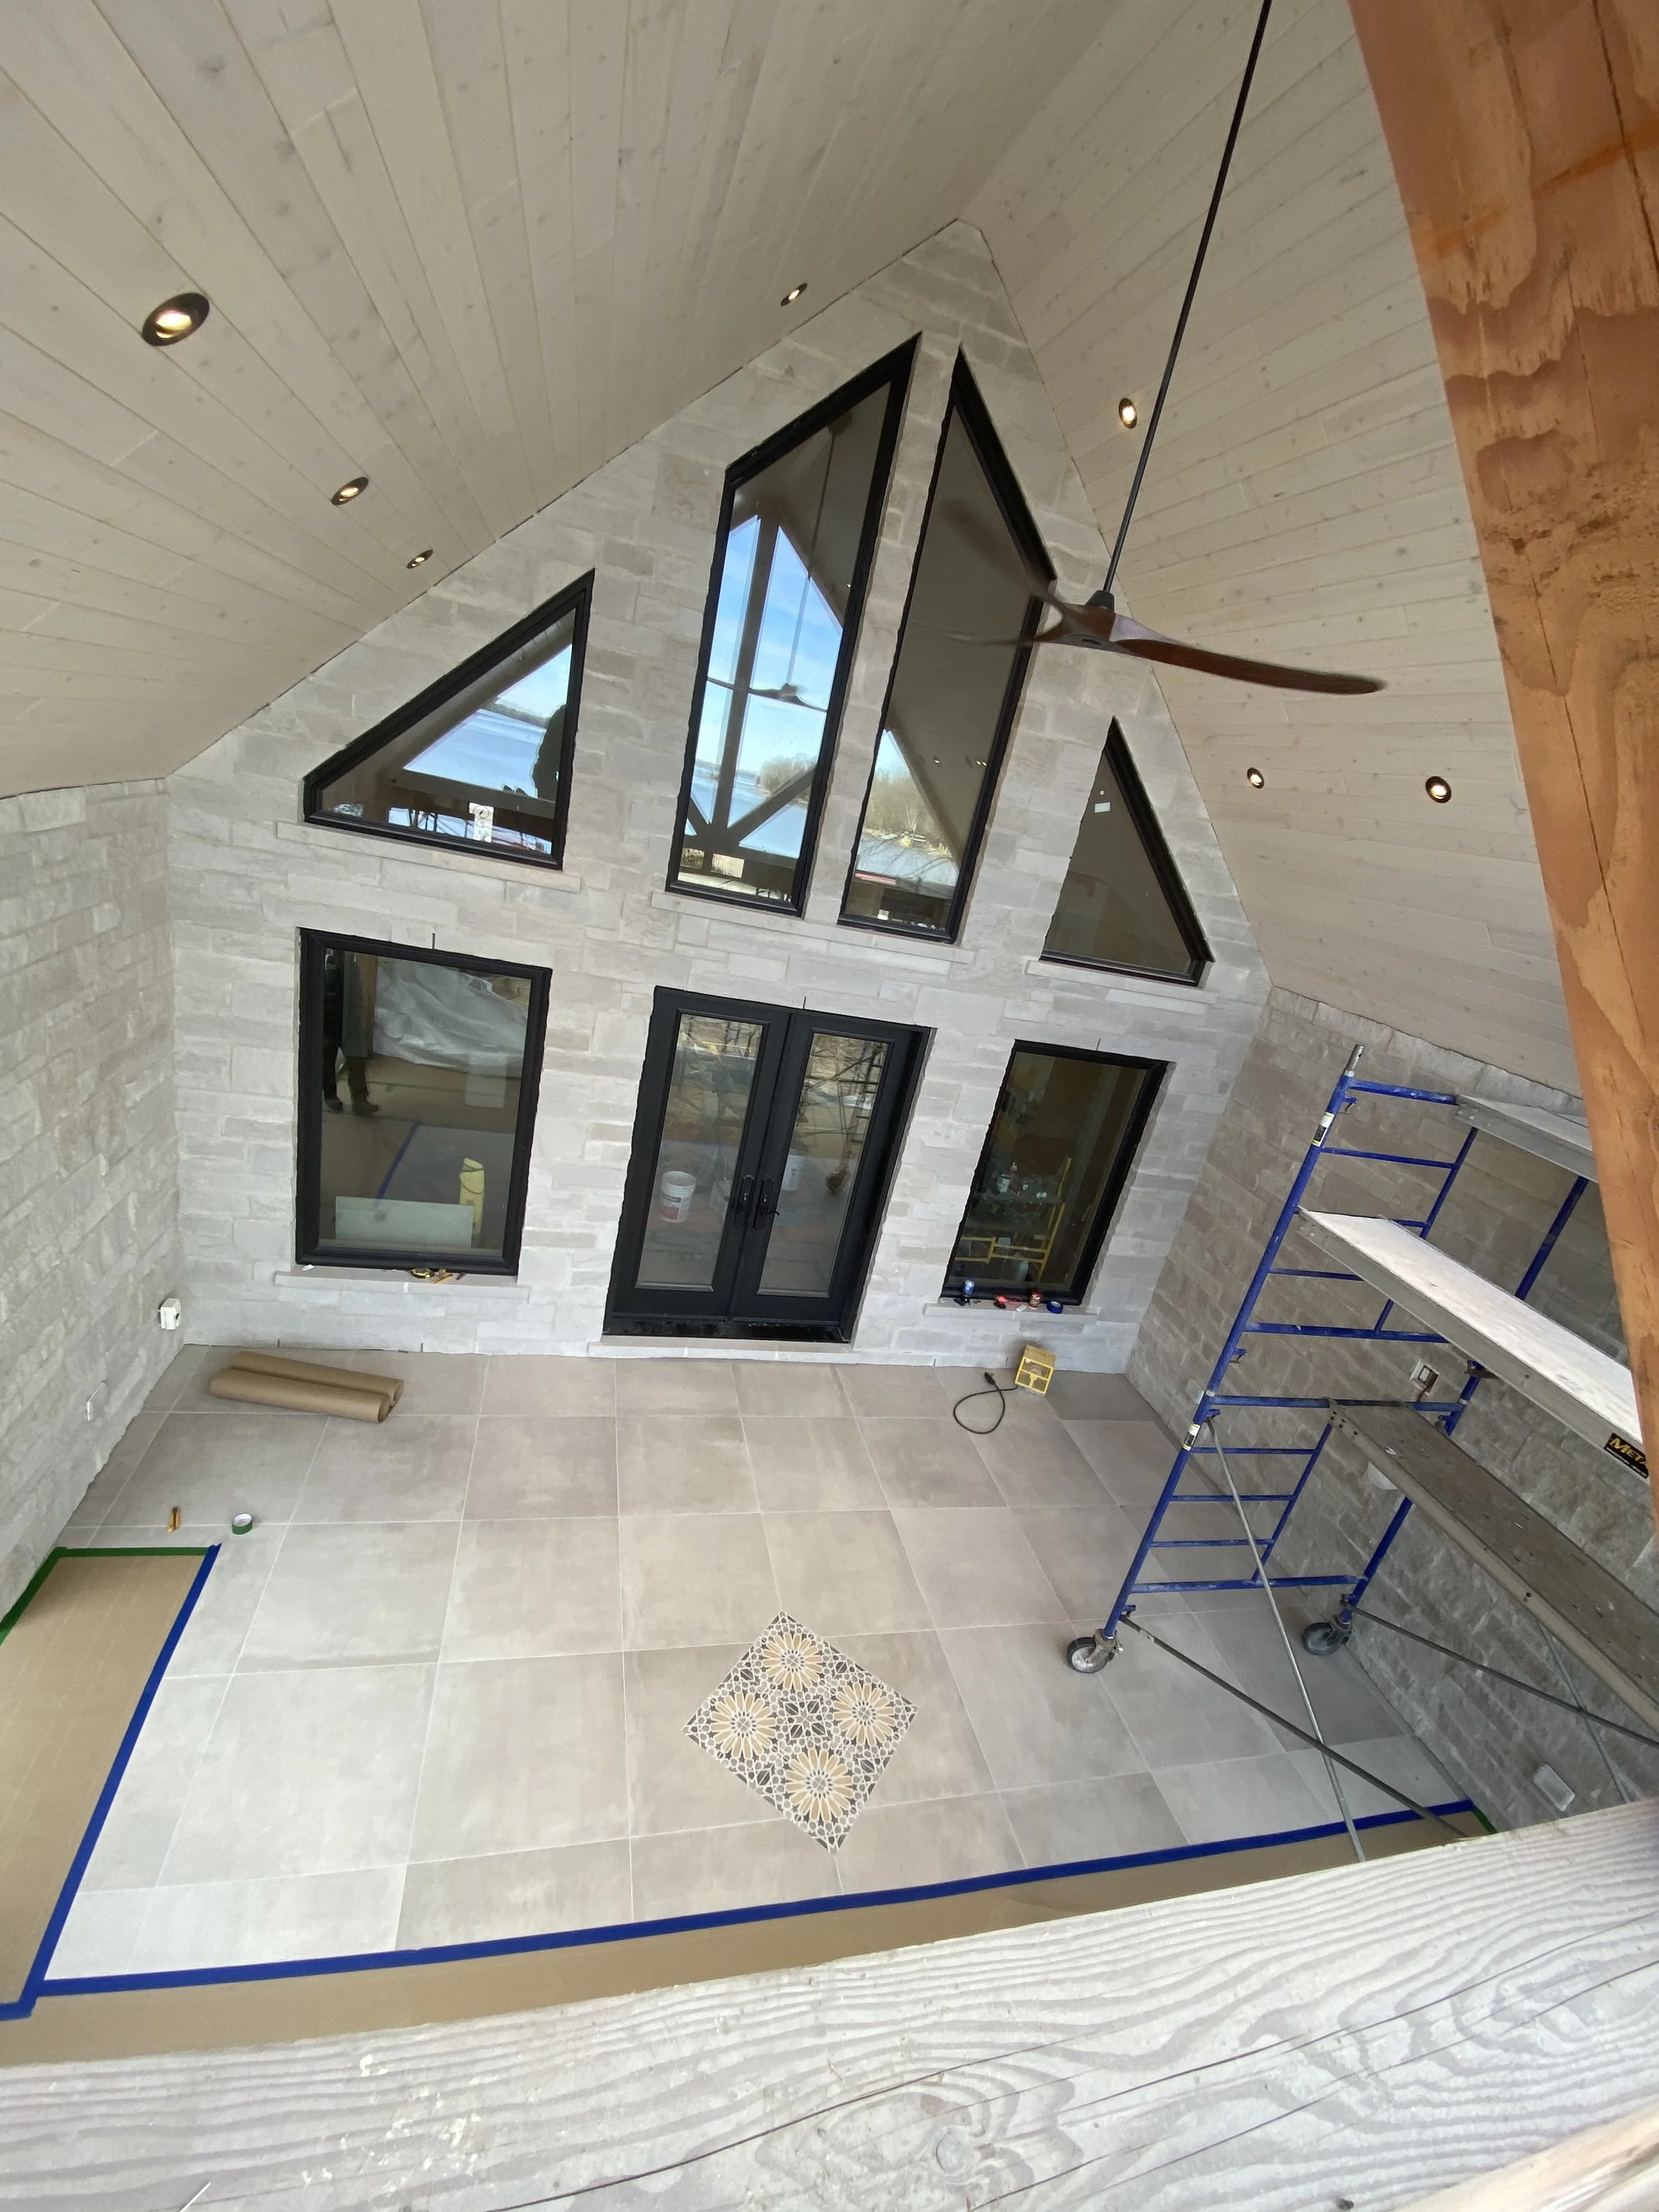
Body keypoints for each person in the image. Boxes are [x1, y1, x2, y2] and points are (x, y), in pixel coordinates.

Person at [320, 946, 378, 1114]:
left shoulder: (351, 966)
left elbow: (357, 992)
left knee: (356, 1060)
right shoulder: (323, 963)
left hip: (350, 1019)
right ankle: (331, 1096)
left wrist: (358, 1016)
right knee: (327, 1061)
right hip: (328, 1020)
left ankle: (360, 1100)